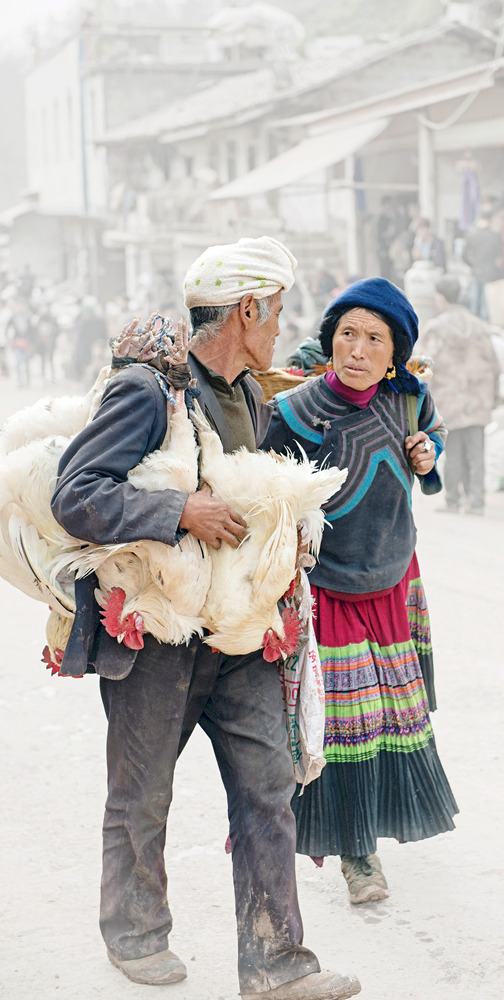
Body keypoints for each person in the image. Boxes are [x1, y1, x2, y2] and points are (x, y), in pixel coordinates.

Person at [50, 237, 361, 1000]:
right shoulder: (148, 392)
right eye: (277, 311)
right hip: (158, 637)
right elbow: (74, 492)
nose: (282, 327)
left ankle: (275, 961)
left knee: (266, 785)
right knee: (143, 790)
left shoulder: (250, 395)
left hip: (237, 633)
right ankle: (134, 934)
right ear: (246, 310)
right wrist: (177, 508)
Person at [263, 277, 458, 906]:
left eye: (376, 338)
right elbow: (264, 493)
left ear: (395, 352)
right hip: (330, 589)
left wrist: (428, 454)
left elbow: (434, 435)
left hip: (394, 577)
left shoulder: (407, 398)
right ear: (329, 340)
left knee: (390, 717)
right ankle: (358, 856)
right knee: (346, 723)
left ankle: (375, 830)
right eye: (347, 332)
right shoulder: (296, 412)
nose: (358, 347)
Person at [418, 277, 500, 514]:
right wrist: (494, 396)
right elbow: (494, 363)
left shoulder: (436, 328)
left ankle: (453, 500)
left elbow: (425, 368)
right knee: (476, 452)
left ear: (441, 298)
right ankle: (476, 501)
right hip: (478, 398)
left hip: (449, 399)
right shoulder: (479, 326)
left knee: (452, 451)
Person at [463, 203, 504, 320]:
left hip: (476, 272)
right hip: (490, 273)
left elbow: (464, 256)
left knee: (474, 302)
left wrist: (472, 265)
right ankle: (485, 328)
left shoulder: (472, 235)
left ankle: (473, 326)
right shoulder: (495, 236)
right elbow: (499, 259)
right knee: (486, 304)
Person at [376, 196, 400, 282]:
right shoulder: (381, 219)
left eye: (390, 204)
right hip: (384, 249)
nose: (389, 206)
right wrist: (382, 249)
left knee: (391, 272)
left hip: (392, 249)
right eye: (387, 204)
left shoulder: (394, 217)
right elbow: (379, 236)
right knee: (385, 271)